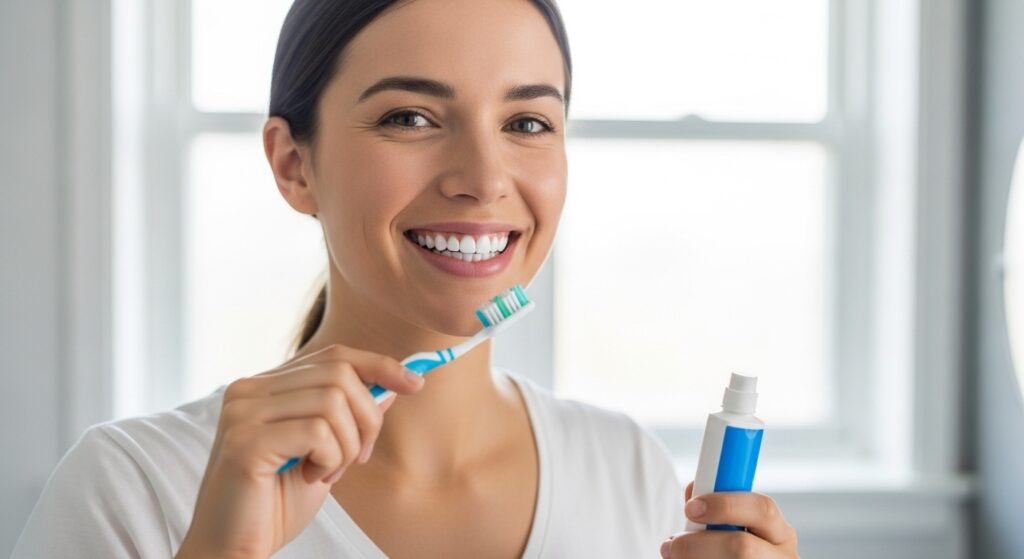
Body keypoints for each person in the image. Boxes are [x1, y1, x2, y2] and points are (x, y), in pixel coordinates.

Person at [12, 0, 801, 557]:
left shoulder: (628, 470)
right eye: (410, 118)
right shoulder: (130, 488)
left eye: (527, 123)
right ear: (294, 165)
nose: (484, 178)